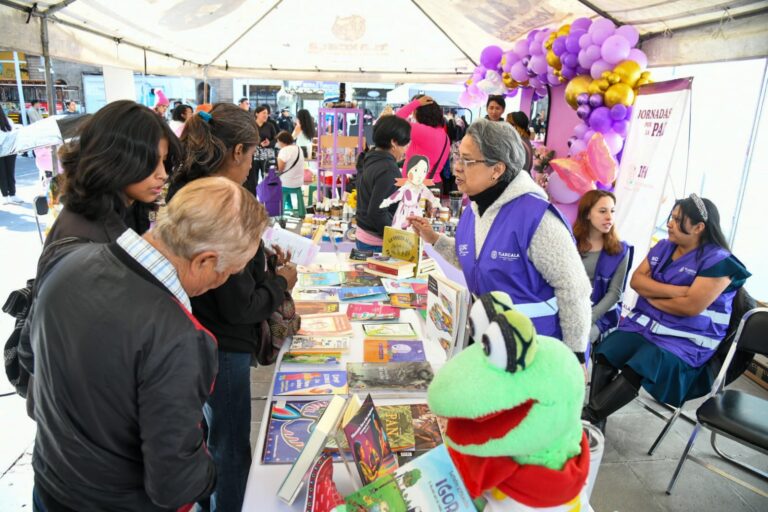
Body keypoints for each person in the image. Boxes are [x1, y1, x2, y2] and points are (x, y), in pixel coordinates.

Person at [27, 176, 266, 511]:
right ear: (205, 261)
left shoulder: (68, 261)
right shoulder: (178, 336)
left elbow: (35, 387)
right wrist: (212, 473)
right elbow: (175, 483)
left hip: (51, 485)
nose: (222, 282)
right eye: (228, 272)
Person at [169, 103, 297, 512]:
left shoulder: (191, 189)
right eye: (253, 154)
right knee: (228, 445)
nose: (251, 168)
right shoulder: (220, 203)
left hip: (199, 335)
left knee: (210, 436)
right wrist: (279, 282)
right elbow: (239, 304)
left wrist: (261, 264)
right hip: (222, 342)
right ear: (238, 153)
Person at [408, 119, 592, 363]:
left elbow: (574, 289)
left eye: (467, 160)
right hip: (487, 342)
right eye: (457, 156)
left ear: (497, 170)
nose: (457, 168)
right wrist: (434, 239)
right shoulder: (475, 209)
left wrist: (575, 356)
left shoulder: (537, 218)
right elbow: (475, 260)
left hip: (532, 352)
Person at [583, 195, 751, 429]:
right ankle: (596, 424)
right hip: (645, 330)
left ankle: (588, 418)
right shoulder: (663, 247)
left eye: (677, 219)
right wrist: (679, 291)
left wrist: (652, 296)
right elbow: (636, 282)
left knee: (643, 363)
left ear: (699, 227)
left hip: (684, 345)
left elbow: (690, 307)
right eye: (671, 217)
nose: (670, 223)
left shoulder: (720, 262)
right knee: (606, 351)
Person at [573, 190, 631, 344]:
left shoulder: (620, 250)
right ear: (587, 214)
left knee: (579, 340)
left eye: (612, 211)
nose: (609, 217)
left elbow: (614, 294)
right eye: (603, 211)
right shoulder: (570, 242)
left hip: (599, 315)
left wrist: (588, 318)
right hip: (568, 305)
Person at [355, 116, 411, 252]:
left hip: (364, 234)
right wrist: (397, 238)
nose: (406, 150)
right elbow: (377, 212)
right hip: (377, 242)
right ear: (394, 142)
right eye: (405, 144)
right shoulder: (388, 169)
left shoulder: (371, 157)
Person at [395, 94, 450, 184]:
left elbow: (394, 121)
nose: (412, 114)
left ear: (419, 112)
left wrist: (415, 103)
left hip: (416, 185)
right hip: (434, 184)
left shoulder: (422, 131)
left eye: (414, 111)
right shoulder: (445, 136)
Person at [0, 107, 21, 204]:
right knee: (5, 173)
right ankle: (8, 195)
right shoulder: (8, 121)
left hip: (9, 150)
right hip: (9, 150)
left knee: (6, 173)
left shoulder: (8, 121)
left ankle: (10, 195)